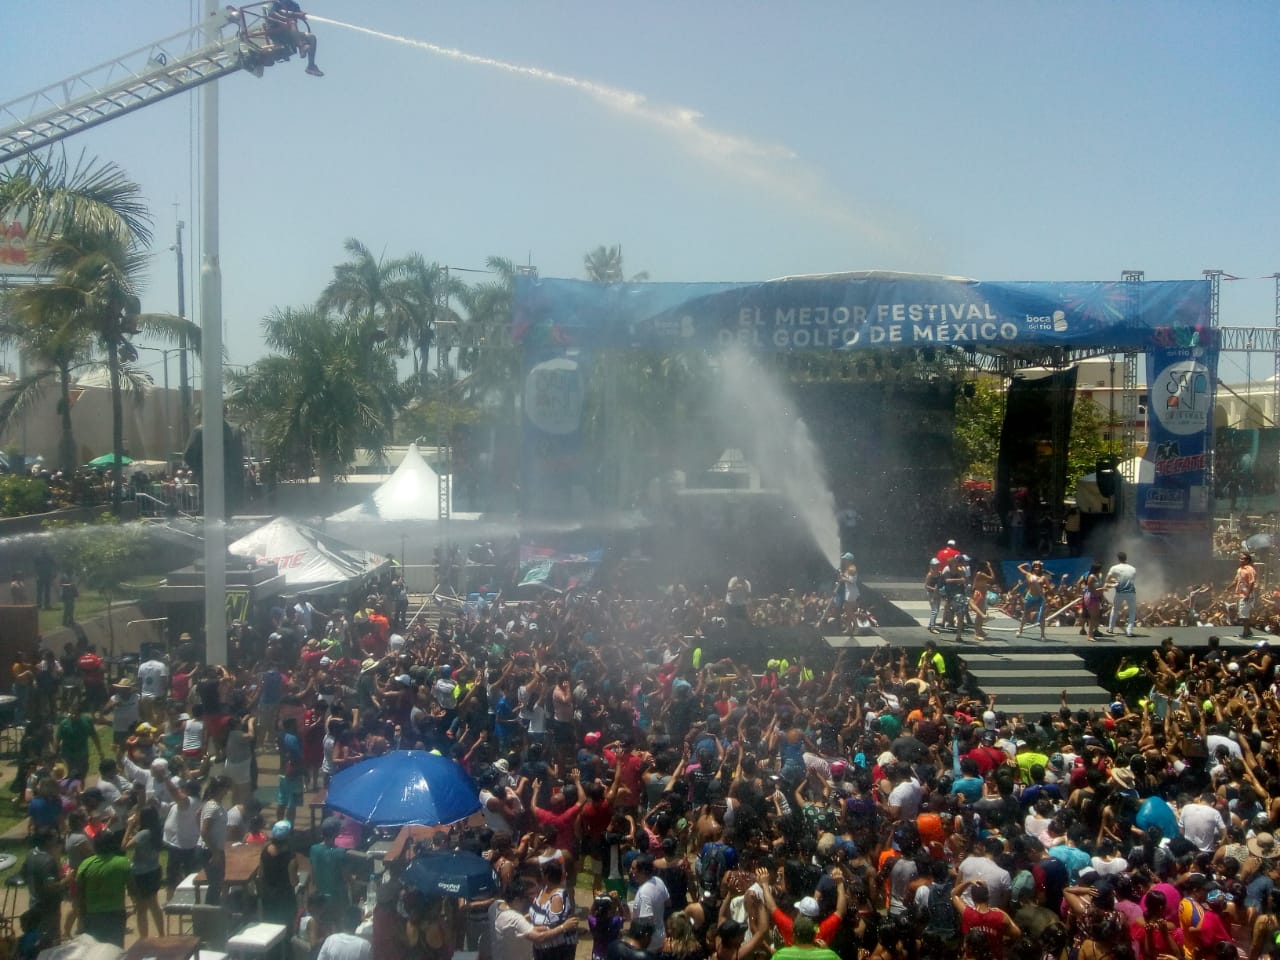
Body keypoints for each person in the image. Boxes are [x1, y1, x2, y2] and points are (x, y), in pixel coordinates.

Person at [76, 829, 131, 947]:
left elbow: (79, 894)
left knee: (94, 949)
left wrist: (81, 916)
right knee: (115, 948)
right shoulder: (123, 863)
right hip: (115, 914)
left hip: (93, 915)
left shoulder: (85, 864)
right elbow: (133, 888)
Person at [267, 0, 323, 76]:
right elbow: (272, 14)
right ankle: (301, 46)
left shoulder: (293, 4)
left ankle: (311, 65)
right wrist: (286, 19)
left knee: (312, 37)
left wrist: (303, 15)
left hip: (291, 34)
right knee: (292, 22)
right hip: (277, 33)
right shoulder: (275, 3)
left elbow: (299, 13)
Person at [260, 819, 299, 928]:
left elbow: (261, 874)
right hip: (284, 899)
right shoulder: (290, 857)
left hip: (268, 897)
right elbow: (293, 882)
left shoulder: (265, 851)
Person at [1106, 551, 1139, 637]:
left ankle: (1110, 629)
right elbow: (1132, 580)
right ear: (1126, 558)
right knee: (1132, 611)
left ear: (1118, 558)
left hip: (1120, 592)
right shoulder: (1133, 568)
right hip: (1131, 592)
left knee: (1115, 609)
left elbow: (1107, 579)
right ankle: (1129, 631)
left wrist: (1115, 581)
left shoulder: (1114, 568)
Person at [1016, 559, 1050, 640]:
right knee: (1025, 614)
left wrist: (1045, 593)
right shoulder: (1028, 575)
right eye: (1035, 566)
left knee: (1042, 616)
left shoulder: (1043, 577)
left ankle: (1042, 635)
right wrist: (1026, 564)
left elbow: (1049, 588)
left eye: (1038, 567)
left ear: (1040, 568)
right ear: (1033, 567)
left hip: (1039, 598)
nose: (1037, 568)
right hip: (1030, 596)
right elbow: (1019, 567)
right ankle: (1020, 630)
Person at [1234, 551, 1258, 638]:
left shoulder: (1250, 569)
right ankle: (1249, 631)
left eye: (1242, 558)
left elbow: (1252, 582)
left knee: (1244, 615)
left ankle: (1245, 633)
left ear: (1247, 560)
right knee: (1242, 613)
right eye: (1239, 558)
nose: (1240, 560)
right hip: (1241, 594)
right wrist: (1228, 588)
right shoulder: (1239, 569)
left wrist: (1248, 594)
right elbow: (1236, 581)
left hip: (1247, 594)